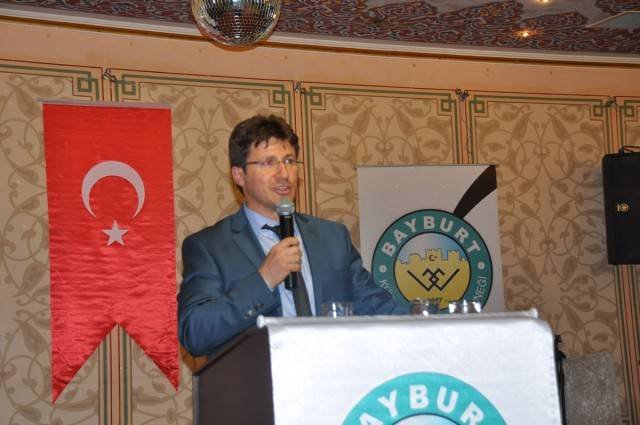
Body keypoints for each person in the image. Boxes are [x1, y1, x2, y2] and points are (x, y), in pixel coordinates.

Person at [178, 115, 407, 357]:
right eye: (268, 163)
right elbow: (195, 333)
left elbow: (376, 306)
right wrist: (264, 279)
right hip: (258, 379)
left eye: (289, 161)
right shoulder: (209, 247)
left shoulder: (332, 237)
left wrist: (431, 322)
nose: (284, 173)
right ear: (239, 175)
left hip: (333, 374)